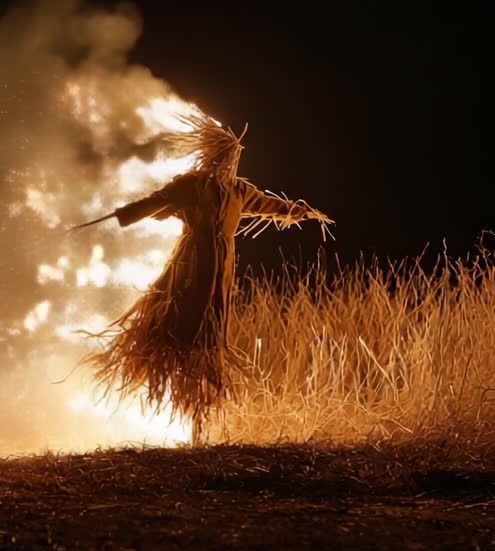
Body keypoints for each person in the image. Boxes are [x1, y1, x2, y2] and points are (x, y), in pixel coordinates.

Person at [73, 118, 332, 432]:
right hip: (192, 262)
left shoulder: (239, 190)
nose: (226, 162)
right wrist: (125, 214)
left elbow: (267, 204)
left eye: (230, 157)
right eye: (223, 156)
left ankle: (200, 414)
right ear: (213, 156)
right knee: (181, 317)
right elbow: (158, 202)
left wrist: (297, 210)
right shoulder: (191, 184)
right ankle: (165, 361)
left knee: (212, 333)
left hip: (221, 267)